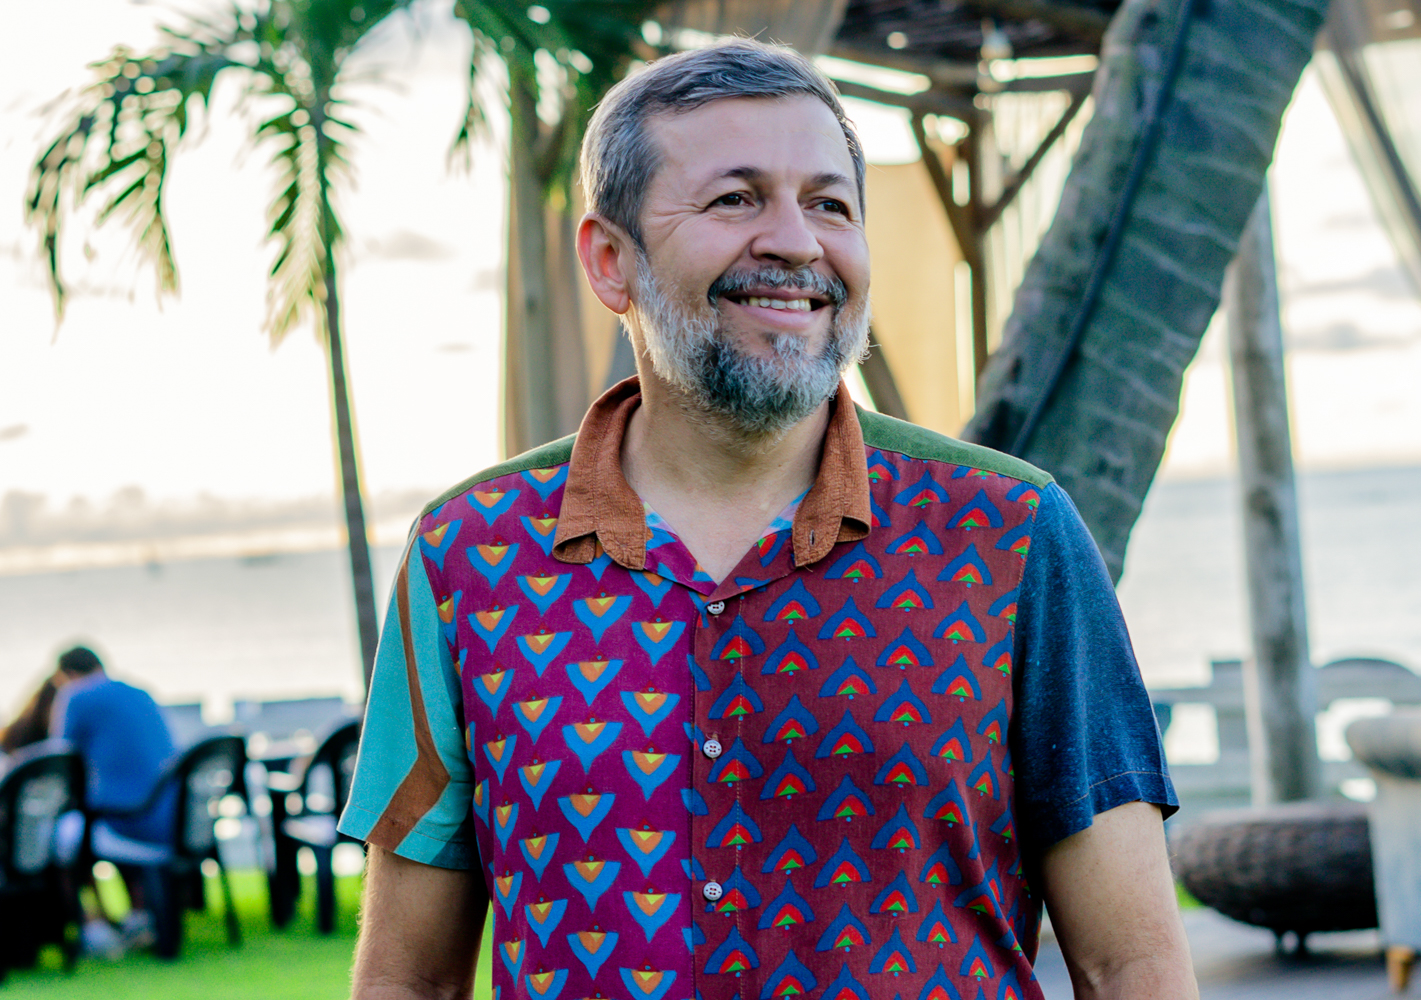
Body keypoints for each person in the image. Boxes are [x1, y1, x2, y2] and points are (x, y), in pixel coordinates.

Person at [341, 40, 1196, 1000]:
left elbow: (1129, 965)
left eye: (830, 205)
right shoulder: (468, 555)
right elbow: (410, 980)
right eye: (735, 199)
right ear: (611, 261)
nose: (795, 242)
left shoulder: (1014, 535)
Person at [51, 645, 176, 955]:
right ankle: (137, 916)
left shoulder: (76, 696)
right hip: (174, 818)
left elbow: (59, 760)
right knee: (96, 822)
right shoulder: (140, 693)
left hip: (131, 824)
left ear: (66, 675)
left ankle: (92, 927)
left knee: (59, 837)